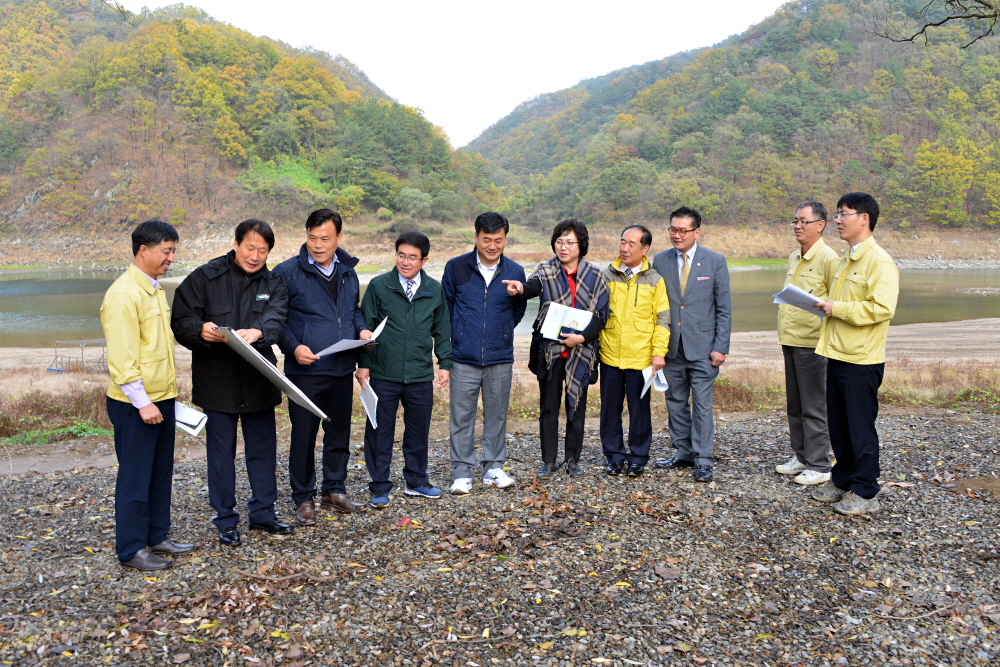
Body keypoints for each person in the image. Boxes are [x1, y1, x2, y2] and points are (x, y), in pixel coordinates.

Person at [171, 219, 292, 546]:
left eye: (262, 250)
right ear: (236, 244)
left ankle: (264, 513)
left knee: (262, 451)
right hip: (218, 381)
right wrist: (200, 329)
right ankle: (225, 519)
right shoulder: (205, 276)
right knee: (221, 455)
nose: (255, 256)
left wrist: (260, 330)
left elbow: (277, 316)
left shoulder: (274, 282)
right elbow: (181, 318)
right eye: (250, 248)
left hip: (259, 379)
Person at [101, 220, 194, 571]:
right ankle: (131, 548)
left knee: (159, 473)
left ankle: (157, 536)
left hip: (161, 398)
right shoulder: (124, 295)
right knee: (135, 477)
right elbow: (122, 360)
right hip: (135, 404)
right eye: (166, 251)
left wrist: (166, 396)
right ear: (144, 250)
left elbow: (156, 350)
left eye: (173, 251)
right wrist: (143, 403)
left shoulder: (152, 289)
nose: (171, 258)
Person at [273, 209, 372, 525]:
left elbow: (353, 311)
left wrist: (363, 331)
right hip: (306, 370)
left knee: (339, 434)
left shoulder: (348, 271)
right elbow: (276, 320)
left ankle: (334, 490)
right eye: (312, 237)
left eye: (325, 238)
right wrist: (294, 347)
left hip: (342, 367)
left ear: (338, 238)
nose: (318, 245)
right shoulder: (286, 272)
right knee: (304, 435)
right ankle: (303, 498)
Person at [810, 192, 899, 515]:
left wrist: (838, 308)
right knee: (839, 425)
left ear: (864, 218)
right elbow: (841, 303)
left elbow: (882, 308)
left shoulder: (879, 261)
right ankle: (843, 479)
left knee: (860, 428)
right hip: (837, 352)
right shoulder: (846, 259)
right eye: (837, 214)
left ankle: (865, 490)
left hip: (862, 358)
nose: (837, 220)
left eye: (843, 214)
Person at [504, 219, 609, 479]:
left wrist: (581, 338)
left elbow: (602, 315)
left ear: (581, 245)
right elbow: (532, 287)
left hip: (581, 352)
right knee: (549, 408)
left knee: (577, 407)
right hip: (551, 353)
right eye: (559, 242)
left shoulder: (595, 275)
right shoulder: (546, 270)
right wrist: (520, 289)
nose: (563, 247)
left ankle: (573, 459)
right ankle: (549, 461)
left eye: (569, 242)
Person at [356, 231, 453, 508]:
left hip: (420, 374)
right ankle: (379, 485)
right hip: (383, 373)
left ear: (424, 260)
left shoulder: (433, 289)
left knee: (418, 431)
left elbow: (442, 330)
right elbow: (366, 328)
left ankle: (417, 481)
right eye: (401, 255)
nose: (406, 262)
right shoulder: (379, 285)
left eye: (412, 257)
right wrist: (363, 365)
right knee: (379, 431)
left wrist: (444, 364)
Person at [442, 212, 527, 495]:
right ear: (476, 237)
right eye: (487, 239)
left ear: (505, 239)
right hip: (463, 357)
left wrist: (500, 332)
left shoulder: (515, 271)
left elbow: (517, 311)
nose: (492, 246)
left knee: (497, 416)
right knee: (461, 417)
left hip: (499, 356)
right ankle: (462, 472)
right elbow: (447, 306)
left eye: (498, 240)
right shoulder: (456, 267)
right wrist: (461, 334)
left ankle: (493, 468)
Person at [651, 206, 731, 482]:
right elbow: (655, 305)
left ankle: (704, 458)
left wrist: (721, 346)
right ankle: (683, 452)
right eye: (673, 229)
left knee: (702, 404)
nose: (677, 235)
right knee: (675, 401)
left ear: (697, 232)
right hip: (671, 347)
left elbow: (724, 308)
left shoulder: (715, 261)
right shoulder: (660, 260)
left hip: (704, 347)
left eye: (683, 230)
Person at [775, 201, 839, 486]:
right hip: (791, 338)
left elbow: (836, 301)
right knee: (795, 404)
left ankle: (820, 464)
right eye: (795, 221)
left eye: (804, 221)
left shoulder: (829, 258)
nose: (798, 226)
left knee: (814, 405)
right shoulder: (794, 256)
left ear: (820, 225)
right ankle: (801, 456)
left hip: (813, 342)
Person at [598, 225, 670, 477]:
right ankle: (614, 456)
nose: (625, 248)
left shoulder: (655, 280)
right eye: (622, 242)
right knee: (609, 409)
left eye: (631, 244)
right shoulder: (606, 275)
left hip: (641, 357)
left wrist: (658, 352)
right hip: (610, 354)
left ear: (645, 248)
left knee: (639, 410)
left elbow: (662, 320)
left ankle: (638, 457)